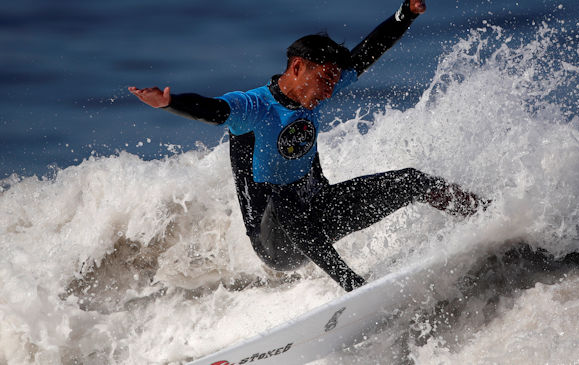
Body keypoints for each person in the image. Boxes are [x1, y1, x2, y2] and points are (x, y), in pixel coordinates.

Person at [128, 0, 488, 292]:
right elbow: (213, 108)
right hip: (275, 240)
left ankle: (489, 216)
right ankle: (353, 286)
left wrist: (405, 13)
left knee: (412, 180)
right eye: (324, 80)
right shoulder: (253, 107)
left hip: (319, 215)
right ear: (298, 67)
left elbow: (366, 53)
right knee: (284, 199)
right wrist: (170, 104)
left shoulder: (313, 95)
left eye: (334, 81)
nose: (331, 90)